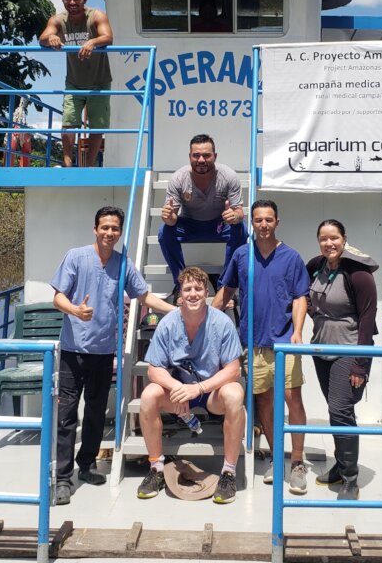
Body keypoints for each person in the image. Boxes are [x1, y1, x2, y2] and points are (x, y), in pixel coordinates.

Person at [49, 206, 172, 505]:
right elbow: (57, 297)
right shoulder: (76, 256)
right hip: (72, 351)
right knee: (66, 418)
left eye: (114, 228)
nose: (109, 233)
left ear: (119, 231)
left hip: (105, 351)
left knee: (94, 412)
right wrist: (76, 309)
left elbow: (144, 296)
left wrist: (179, 311)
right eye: (104, 227)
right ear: (95, 229)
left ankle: (87, 465)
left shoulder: (122, 263)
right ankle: (63, 479)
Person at [212, 200, 310, 495]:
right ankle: (276, 457)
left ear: (277, 222)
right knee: (265, 402)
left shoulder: (291, 257)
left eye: (269, 219)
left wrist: (299, 332)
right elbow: (227, 290)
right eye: (258, 220)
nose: (263, 225)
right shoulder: (242, 254)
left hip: (283, 342)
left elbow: (299, 298)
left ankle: (297, 463)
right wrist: (204, 321)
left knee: (292, 399)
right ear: (252, 223)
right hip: (252, 343)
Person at [137, 266, 245, 504]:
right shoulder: (168, 323)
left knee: (235, 394)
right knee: (149, 395)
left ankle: (228, 472)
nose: (193, 294)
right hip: (179, 392)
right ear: (180, 296)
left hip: (210, 393)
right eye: (188, 289)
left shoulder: (222, 322)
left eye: (198, 288)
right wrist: (177, 388)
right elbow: (154, 368)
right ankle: (156, 468)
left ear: (206, 292)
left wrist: (198, 389)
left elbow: (233, 369)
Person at [305, 219, 378, 501]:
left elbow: (367, 320)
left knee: (340, 411)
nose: (329, 244)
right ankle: (340, 465)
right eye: (323, 239)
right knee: (336, 412)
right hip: (322, 350)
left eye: (334, 238)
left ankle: (350, 479)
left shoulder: (358, 274)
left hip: (350, 350)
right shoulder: (317, 267)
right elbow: (304, 292)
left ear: (344, 239)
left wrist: (361, 363)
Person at [159, 134, 247, 294]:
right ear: (190, 156)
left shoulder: (228, 176)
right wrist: (168, 217)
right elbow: (172, 220)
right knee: (163, 231)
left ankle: (226, 285)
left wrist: (234, 216)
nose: (201, 160)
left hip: (219, 225)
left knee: (241, 229)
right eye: (196, 155)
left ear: (215, 156)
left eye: (206, 155)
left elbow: (239, 211)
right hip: (188, 225)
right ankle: (181, 283)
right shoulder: (179, 178)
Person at [39, 0, 114, 166]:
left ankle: (88, 165)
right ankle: (67, 163)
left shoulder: (96, 16)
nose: (73, 3)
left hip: (100, 81)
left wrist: (92, 42)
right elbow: (42, 38)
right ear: (63, 0)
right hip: (74, 82)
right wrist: (51, 38)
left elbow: (108, 37)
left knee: (97, 126)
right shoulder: (58, 20)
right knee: (69, 122)